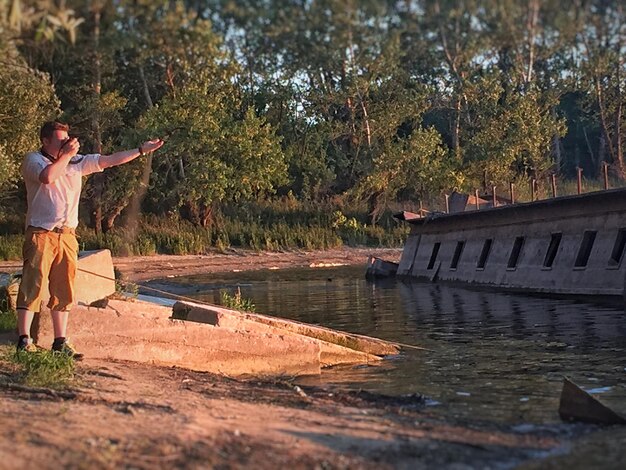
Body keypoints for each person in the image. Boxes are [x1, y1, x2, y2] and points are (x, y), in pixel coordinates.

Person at [16, 121, 164, 358]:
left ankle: (59, 342)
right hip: (41, 233)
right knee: (32, 285)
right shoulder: (34, 160)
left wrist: (141, 150)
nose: (67, 143)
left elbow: (110, 160)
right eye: (61, 140)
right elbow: (47, 177)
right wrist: (65, 155)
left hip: (67, 235)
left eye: (68, 139)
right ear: (45, 141)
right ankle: (24, 339)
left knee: (64, 289)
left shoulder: (77, 162)